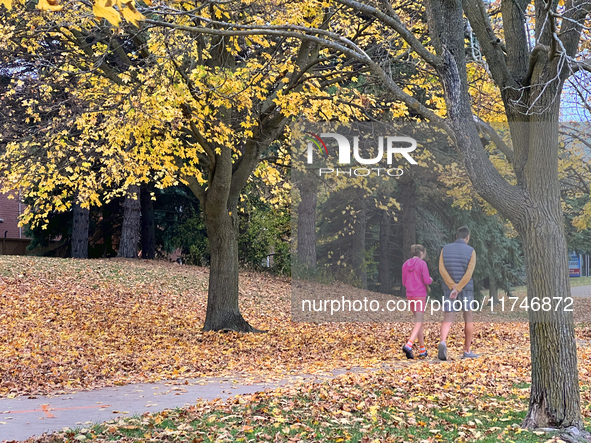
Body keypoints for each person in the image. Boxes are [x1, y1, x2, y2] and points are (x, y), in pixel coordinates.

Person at [437, 226, 478, 360]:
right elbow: (469, 273)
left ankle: (443, 341)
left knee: (448, 316)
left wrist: (452, 286)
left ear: (456, 236)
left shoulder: (445, 249)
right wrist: (459, 288)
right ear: (467, 237)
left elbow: (442, 269)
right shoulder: (471, 251)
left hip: (449, 289)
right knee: (468, 318)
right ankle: (467, 350)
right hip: (465, 289)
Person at [401, 244, 433, 359]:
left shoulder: (405, 264)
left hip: (410, 294)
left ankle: (422, 350)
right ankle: (409, 345)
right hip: (420, 294)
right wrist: (430, 280)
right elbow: (426, 280)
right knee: (418, 322)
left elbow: (404, 282)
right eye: (424, 254)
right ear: (421, 253)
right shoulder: (422, 264)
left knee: (419, 322)